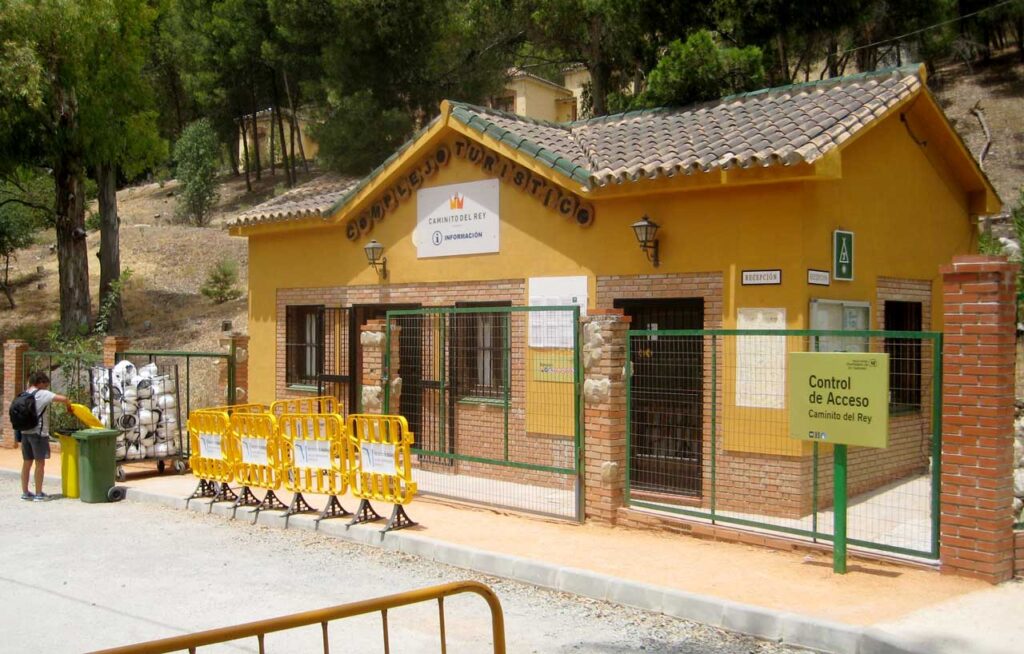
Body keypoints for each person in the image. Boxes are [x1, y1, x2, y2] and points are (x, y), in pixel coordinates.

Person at [18, 371, 71, 501]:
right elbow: (63, 399)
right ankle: (38, 493)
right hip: (38, 434)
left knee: (27, 463)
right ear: (41, 383)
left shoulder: (26, 392)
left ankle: (25, 492)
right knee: (40, 463)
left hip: (25, 432)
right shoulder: (43, 394)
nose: (47, 387)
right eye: (46, 384)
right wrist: (69, 407)